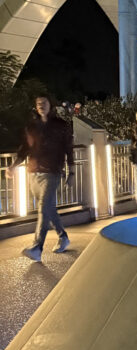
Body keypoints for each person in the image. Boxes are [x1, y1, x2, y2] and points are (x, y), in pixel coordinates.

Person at [10, 95, 74, 261]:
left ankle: (37, 247)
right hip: (33, 173)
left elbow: (69, 149)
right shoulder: (31, 126)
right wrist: (13, 166)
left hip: (52, 172)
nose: (41, 106)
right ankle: (63, 237)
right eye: (38, 103)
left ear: (50, 104)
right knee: (49, 208)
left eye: (44, 103)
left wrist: (72, 172)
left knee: (43, 208)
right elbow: (25, 149)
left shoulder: (61, 125)